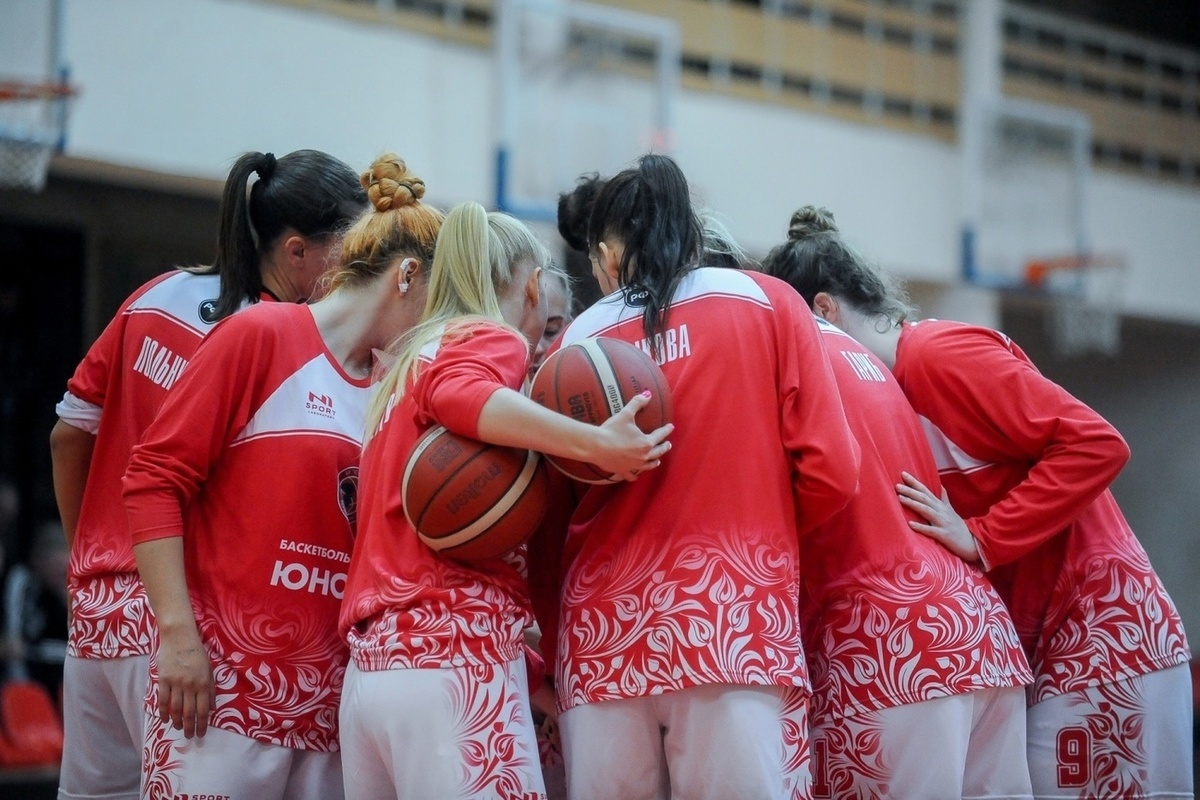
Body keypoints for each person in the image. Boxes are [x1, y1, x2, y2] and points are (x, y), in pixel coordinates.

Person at [782, 207, 1193, 798]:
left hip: (1102, 628)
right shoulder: (887, 400)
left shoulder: (936, 356)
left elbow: (1097, 442)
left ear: (824, 310)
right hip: (1042, 645)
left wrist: (984, 535)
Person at [533, 154, 861, 800]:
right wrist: (762, 533)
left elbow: (547, 509)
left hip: (604, 639)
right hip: (733, 623)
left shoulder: (575, 339)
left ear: (605, 255)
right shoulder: (770, 303)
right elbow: (833, 470)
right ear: (692, 230)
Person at [121, 154, 442, 800]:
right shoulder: (260, 334)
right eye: (436, 305)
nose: (436, 330)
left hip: (327, 714)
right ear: (406, 277)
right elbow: (153, 480)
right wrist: (178, 637)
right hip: (220, 697)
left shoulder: (393, 387)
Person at [48, 148, 365, 800]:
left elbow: (66, 434)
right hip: (178, 618)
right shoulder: (275, 337)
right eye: (350, 250)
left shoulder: (156, 296)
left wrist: (88, 554)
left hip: (96, 613)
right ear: (299, 250)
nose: (356, 273)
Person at [337, 200, 671, 800]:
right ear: (536, 287)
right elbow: (463, 393)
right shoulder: (489, 337)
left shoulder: (407, 364)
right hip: (451, 656)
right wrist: (595, 441)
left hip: (371, 673)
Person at [762, 208, 1034, 798]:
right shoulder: (894, 375)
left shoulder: (801, 366)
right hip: (982, 632)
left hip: (891, 642)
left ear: (818, 310)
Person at [3, 520, 69, 699]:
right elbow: (13, 644)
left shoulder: (67, 592)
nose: (62, 576)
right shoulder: (22, 581)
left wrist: (69, 605)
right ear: (39, 560)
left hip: (58, 679)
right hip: (20, 679)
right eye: (57, 570)